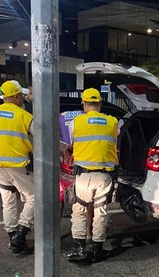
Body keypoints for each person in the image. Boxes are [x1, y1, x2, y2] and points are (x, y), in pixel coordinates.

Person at [0, 80, 34, 255]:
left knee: (8, 202)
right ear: (17, 96)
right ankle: (21, 233)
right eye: (22, 96)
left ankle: (13, 239)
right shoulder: (24, 115)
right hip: (17, 165)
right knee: (34, 197)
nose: (23, 99)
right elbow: (42, 138)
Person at [67, 88, 118, 263]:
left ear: (83, 103)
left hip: (83, 176)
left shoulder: (76, 122)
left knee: (79, 211)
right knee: (101, 212)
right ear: (100, 103)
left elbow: (72, 143)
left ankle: (80, 249)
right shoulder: (112, 122)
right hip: (103, 176)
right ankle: (98, 249)